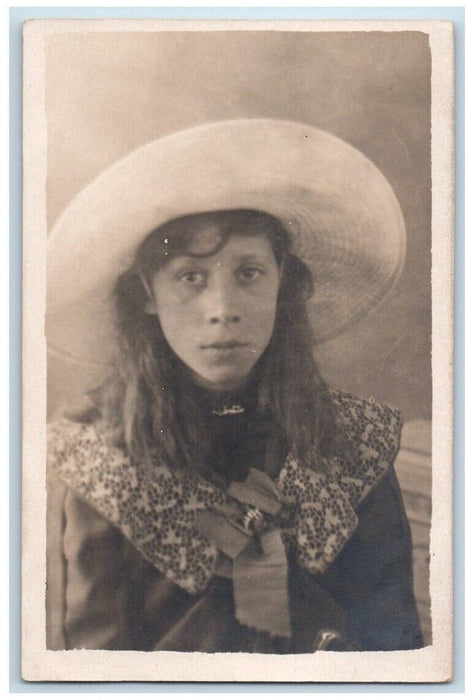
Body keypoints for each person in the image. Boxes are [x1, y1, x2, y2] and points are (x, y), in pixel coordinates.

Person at [46, 119, 423, 652]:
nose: (222, 311)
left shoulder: (351, 443)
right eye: (190, 278)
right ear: (147, 295)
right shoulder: (104, 459)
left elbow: (392, 642)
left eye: (247, 274)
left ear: (281, 286)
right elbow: (94, 660)